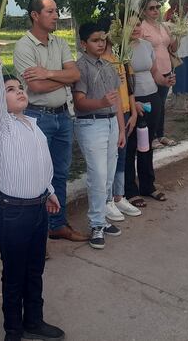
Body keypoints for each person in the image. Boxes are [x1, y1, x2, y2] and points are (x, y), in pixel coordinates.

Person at [0, 42, 65, 341]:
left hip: (38, 208)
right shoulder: (2, 125)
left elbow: (43, 163)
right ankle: (13, 330)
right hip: (14, 212)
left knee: (34, 269)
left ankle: (34, 320)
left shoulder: (34, 125)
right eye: (11, 89)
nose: (19, 91)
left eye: (20, 87)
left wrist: (50, 191)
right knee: (14, 273)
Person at [13, 0, 87, 242]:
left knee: (60, 173)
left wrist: (48, 73)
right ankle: (38, 232)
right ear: (35, 15)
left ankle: (57, 224)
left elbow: (75, 74)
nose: (56, 16)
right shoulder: (24, 46)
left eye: (56, 11)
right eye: (50, 11)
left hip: (64, 117)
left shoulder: (60, 42)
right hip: (38, 117)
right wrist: (59, 77)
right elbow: (35, 87)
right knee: (38, 175)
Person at [72, 22, 126, 249]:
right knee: (98, 175)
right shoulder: (80, 67)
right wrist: (101, 103)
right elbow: (80, 103)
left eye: (103, 39)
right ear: (84, 44)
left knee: (109, 175)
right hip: (91, 124)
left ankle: (102, 218)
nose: (101, 43)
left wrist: (121, 129)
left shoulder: (109, 65)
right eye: (95, 40)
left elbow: (117, 102)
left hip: (111, 123)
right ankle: (96, 224)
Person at [125, 20, 172, 207]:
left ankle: (147, 185)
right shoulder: (120, 50)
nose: (136, 28)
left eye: (138, 24)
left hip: (152, 97)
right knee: (131, 147)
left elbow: (154, 72)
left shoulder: (146, 45)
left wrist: (165, 81)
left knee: (147, 144)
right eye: (130, 25)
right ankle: (130, 189)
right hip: (132, 102)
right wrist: (132, 101)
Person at [101, 33, 142, 222]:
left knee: (123, 156)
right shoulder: (102, 60)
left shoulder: (122, 58)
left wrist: (133, 113)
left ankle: (119, 196)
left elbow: (130, 88)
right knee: (111, 157)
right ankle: (107, 199)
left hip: (126, 111)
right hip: (111, 113)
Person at [139, 0, 177, 148]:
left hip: (167, 68)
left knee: (161, 104)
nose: (155, 10)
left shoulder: (163, 26)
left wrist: (178, 35)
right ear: (144, 11)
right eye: (151, 8)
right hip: (152, 71)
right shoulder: (141, 28)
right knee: (153, 105)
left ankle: (160, 134)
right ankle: (151, 135)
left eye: (157, 7)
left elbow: (173, 48)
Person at [165, 0, 188, 110]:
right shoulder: (169, 13)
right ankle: (177, 95)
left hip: (187, 48)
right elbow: (166, 28)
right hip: (175, 48)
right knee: (177, 72)